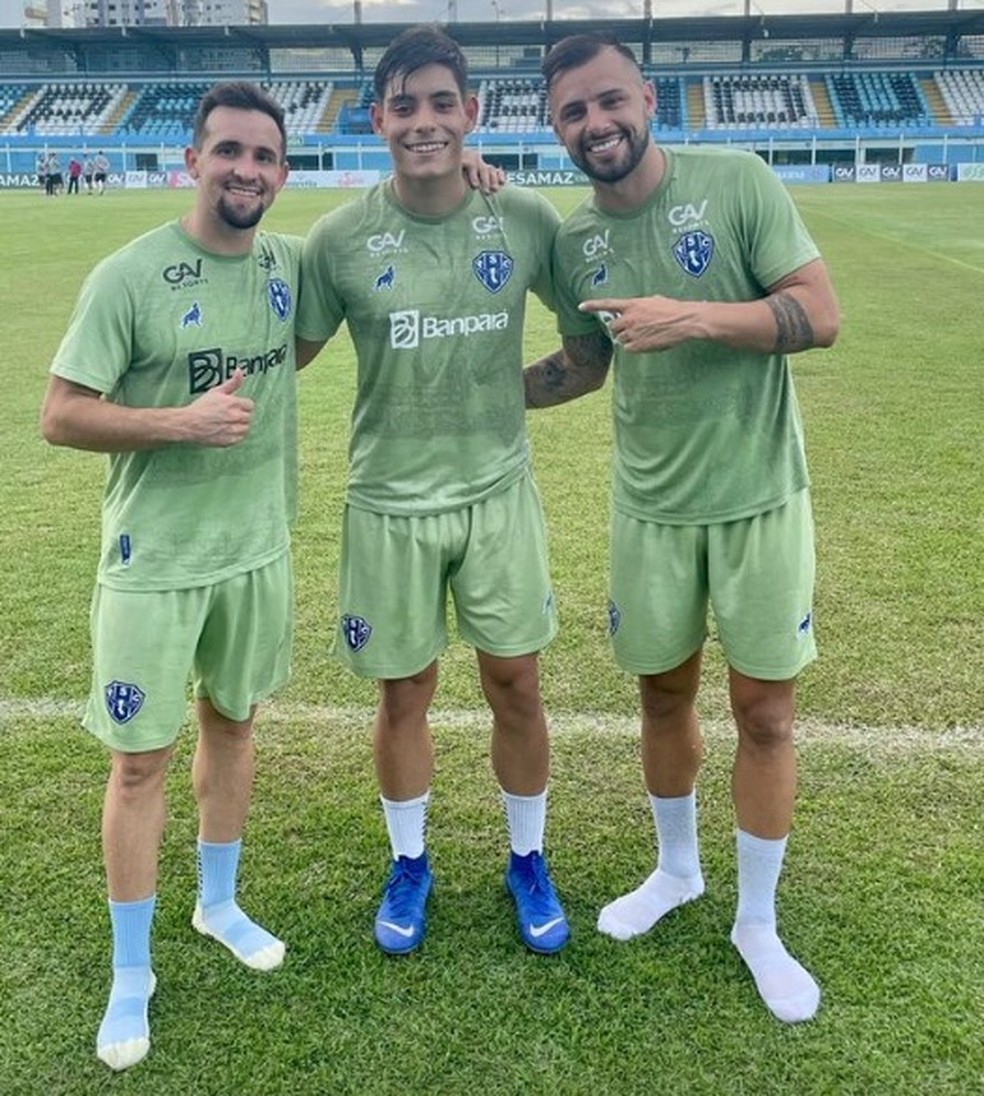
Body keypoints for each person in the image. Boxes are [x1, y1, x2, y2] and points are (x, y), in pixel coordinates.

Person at [525, 32, 840, 1023]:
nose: (597, 124)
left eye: (610, 100)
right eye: (574, 112)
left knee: (765, 713)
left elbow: (818, 313)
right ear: (556, 127)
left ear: (647, 97)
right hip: (649, 510)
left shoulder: (736, 179)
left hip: (757, 500)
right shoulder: (576, 238)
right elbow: (582, 365)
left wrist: (693, 315)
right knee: (662, 697)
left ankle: (757, 919)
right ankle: (677, 871)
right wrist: (465, 394)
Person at [296, 25, 610, 958]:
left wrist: (500, 394)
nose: (424, 121)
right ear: (378, 119)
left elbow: (589, 357)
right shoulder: (340, 237)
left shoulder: (522, 220)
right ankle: (410, 862)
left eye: (442, 103)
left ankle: (527, 857)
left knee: (516, 683)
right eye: (404, 105)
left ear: (471, 114)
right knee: (405, 694)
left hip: (497, 497)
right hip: (387, 501)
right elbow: (291, 357)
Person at [40, 81, 300, 1072]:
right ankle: (131, 968)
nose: (246, 170)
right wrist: (176, 425)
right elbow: (60, 413)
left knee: (233, 726)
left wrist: (472, 172)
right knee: (140, 763)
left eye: (265, 157)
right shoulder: (128, 275)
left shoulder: (285, 265)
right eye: (228, 151)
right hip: (154, 566)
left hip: (255, 551)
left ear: (282, 173)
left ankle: (219, 901)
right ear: (192, 160)